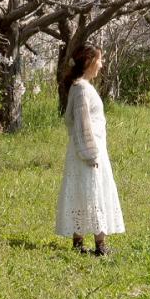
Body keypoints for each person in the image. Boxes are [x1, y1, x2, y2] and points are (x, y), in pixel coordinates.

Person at [55, 43, 124, 256]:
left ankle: (78, 243)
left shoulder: (80, 87)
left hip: (85, 152)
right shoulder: (82, 89)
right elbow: (82, 125)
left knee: (82, 192)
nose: (102, 65)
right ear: (88, 62)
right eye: (99, 60)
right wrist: (90, 154)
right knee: (93, 193)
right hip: (88, 153)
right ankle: (100, 246)